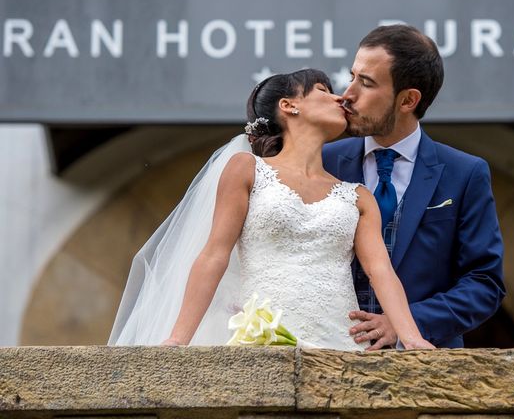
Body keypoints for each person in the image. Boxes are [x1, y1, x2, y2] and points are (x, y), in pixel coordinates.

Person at [109, 68, 435, 350]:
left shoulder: (359, 197)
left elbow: (381, 271)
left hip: (341, 344)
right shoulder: (246, 169)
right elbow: (214, 255)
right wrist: (178, 339)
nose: (341, 99)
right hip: (263, 341)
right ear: (289, 105)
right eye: (324, 90)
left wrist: (412, 338)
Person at [323, 25, 506, 350]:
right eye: (352, 76)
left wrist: (406, 321)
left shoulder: (465, 174)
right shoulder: (322, 162)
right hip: (326, 353)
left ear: (408, 100)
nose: (347, 94)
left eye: (365, 83)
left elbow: (484, 283)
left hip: (422, 371)